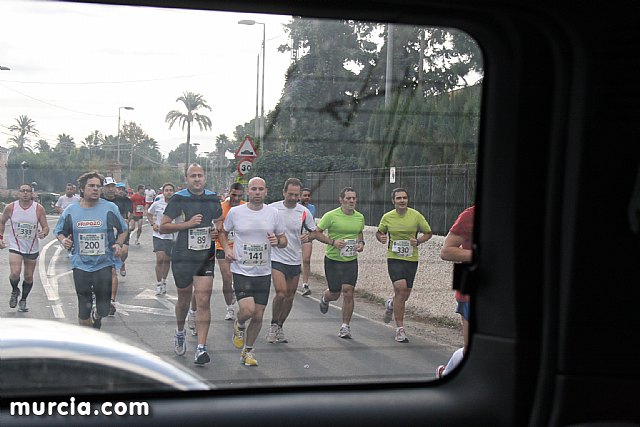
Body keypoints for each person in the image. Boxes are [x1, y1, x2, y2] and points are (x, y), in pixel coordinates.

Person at [219, 176, 287, 366]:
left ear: (266, 191)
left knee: (258, 315)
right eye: (254, 189)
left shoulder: (273, 213)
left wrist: (277, 242)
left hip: (263, 272)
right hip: (241, 269)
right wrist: (227, 250)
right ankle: (239, 323)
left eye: (260, 189)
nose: (257, 192)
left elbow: (284, 240)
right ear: (248, 191)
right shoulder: (236, 212)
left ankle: (248, 351)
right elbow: (223, 232)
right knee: (247, 310)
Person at [160, 163, 222, 365]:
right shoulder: (179, 198)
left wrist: (216, 230)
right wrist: (187, 224)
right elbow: (163, 227)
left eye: (200, 175)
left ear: (205, 177)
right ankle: (180, 332)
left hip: (205, 255)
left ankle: (201, 348)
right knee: (184, 300)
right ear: (186, 179)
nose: (197, 179)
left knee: (203, 300)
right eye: (192, 176)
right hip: (183, 256)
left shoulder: (213, 198)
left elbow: (219, 221)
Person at [54, 172, 128, 329]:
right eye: (91, 186)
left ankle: (97, 315)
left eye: (98, 186)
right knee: (83, 306)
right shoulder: (71, 210)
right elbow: (59, 231)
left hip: (103, 263)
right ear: (82, 188)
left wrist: (118, 244)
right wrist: (64, 241)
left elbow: (123, 230)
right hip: (80, 264)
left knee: (104, 308)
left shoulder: (110, 208)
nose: (95, 189)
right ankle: (88, 336)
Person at [266, 178, 320, 344]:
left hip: (294, 259)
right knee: (281, 293)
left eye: (296, 195)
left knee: (289, 297)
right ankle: (273, 324)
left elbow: (314, 232)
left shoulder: (304, 212)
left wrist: (308, 237)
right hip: (276, 258)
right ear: (284, 192)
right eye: (290, 194)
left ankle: (280, 326)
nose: (293, 198)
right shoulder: (272, 209)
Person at [376, 188, 433, 343]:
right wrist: (381, 237)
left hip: (411, 259)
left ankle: (391, 304)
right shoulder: (387, 217)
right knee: (401, 289)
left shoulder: (416, 215)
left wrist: (418, 241)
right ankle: (400, 329)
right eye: (399, 198)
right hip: (394, 258)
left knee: (404, 295)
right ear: (393, 201)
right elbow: (379, 232)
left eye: (404, 198)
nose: (402, 200)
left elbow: (428, 233)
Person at [315, 187, 365, 339]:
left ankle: (345, 326)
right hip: (333, 260)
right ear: (341, 200)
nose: (351, 201)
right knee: (335, 293)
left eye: (354, 198)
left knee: (348, 291)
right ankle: (325, 297)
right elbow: (316, 233)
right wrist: (333, 242)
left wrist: (361, 243)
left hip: (350, 260)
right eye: (348, 198)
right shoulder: (331, 216)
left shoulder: (359, 217)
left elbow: (359, 233)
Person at [436, 205, 475, 378]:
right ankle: (446, 374)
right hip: (471, 291)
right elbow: (446, 251)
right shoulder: (470, 215)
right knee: (471, 349)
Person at [0, 183, 50, 312]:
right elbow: (2, 222)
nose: (25, 193)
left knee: (28, 276)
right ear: (19, 193)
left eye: (28, 191)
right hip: (15, 245)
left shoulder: (38, 208)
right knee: (15, 273)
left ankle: (23, 299)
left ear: (32, 193)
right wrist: (0, 238)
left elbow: (45, 227)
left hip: (31, 247)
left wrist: (43, 233)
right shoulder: (11, 207)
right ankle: (15, 290)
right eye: (23, 191)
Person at [210, 182, 245, 324]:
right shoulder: (221, 207)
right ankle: (229, 308)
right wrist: (214, 229)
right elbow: (214, 224)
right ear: (229, 193)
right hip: (222, 246)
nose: (236, 198)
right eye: (233, 195)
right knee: (227, 277)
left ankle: (238, 296)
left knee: (239, 279)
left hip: (241, 248)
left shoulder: (245, 207)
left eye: (239, 196)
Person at [100, 177, 132, 315]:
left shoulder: (123, 200)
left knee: (115, 267)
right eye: (108, 186)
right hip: (101, 238)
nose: (111, 189)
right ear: (103, 188)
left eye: (113, 186)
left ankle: (111, 301)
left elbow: (128, 216)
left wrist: (126, 221)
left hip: (119, 233)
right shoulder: (98, 200)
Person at [147, 183, 175, 295]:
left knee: (167, 260)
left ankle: (163, 281)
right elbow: (149, 213)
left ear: (173, 192)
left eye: (171, 190)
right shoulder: (157, 203)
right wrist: (153, 224)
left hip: (171, 236)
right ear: (163, 192)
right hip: (158, 235)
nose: (169, 192)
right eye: (166, 190)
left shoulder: (176, 204)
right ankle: (158, 284)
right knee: (160, 258)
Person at [299, 187, 316, 296]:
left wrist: (311, 235)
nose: (307, 197)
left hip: (306, 236)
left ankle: (305, 284)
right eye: (304, 195)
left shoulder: (312, 208)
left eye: (308, 196)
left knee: (306, 259)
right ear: (300, 196)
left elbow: (312, 223)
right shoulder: (295, 207)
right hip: (295, 236)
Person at [114, 183, 133, 277]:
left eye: (122, 189)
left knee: (124, 251)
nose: (120, 191)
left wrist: (128, 220)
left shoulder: (127, 200)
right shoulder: (111, 200)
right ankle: (112, 269)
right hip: (112, 227)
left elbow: (131, 213)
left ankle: (122, 263)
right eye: (119, 189)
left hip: (123, 227)